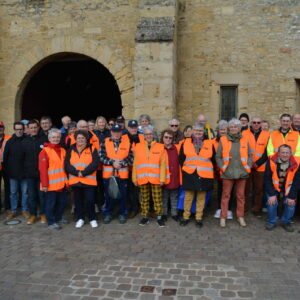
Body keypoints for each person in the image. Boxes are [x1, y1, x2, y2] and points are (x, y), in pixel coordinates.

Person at [216, 118, 252, 228]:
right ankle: (223, 216)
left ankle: (240, 216)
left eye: (235, 127)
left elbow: (250, 155)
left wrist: (248, 167)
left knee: (240, 196)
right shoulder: (223, 139)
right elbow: (218, 156)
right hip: (228, 172)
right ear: (228, 129)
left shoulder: (245, 140)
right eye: (231, 127)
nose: (233, 129)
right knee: (225, 195)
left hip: (241, 172)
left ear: (239, 128)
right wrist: (222, 167)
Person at [132, 126, 169, 227]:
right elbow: (135, 164)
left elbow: (163, 164)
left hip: (155, 178)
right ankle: (145, 217)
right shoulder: (138, 147)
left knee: (157, 199)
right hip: (142, 178)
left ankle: (159, 217)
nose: (148, 136)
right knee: (144, 199)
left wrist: (162, 179)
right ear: (144, 136)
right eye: (146, 134)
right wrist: (134, 178)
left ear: (153, 135)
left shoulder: (160, 146)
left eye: (150, 134)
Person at [179, 122, 214, 228]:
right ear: (192, 131)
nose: (198, 132)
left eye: (200, 130)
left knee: (201, 197)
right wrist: (186, 169)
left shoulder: (209, 143)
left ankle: (198, 218)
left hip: (204, 174)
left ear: (203, 131)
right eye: (196, 130)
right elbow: (181, 158)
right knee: (188, 197)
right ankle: (186, 217)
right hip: (190, 173)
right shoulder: (185, 143)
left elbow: (213, 159)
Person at [65, 130, 99, 228]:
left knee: (90, 200)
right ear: (75, 139)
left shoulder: (92, 148)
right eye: (79, 138)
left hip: (89, 180)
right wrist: (77, 173)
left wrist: (83, 173)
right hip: (76, 180)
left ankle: (92, 218)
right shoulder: (71, 149)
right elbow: (67, 164)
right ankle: (80, 218)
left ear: (86, 139)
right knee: (78, 201)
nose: (80, 140)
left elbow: (95, 163)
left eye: (83, 138)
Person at [100, 124, 133, 224]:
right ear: (111, 132)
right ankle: (108, 213)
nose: (116, 133)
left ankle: (122, 213)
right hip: (108, 175)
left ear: (121, 132)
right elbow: (101, 157)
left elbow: (131, 158)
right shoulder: (104, 142)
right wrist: (112, 163)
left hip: (122, 175)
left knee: (123, 195)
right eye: (114, 131)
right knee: (109, 195)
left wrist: (121, 163)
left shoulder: (127, 143)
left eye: (118, 131)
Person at [264, 144, 300, 232]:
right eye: (283, 152)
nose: (285, 155)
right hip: (274, 188)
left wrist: (292, 197)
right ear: (278, 153)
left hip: (288, 189)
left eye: (287, 153)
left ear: (291, 153)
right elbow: (267, 179)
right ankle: (271, 222)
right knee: (271, 202)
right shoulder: (271, 161)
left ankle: (286, 222)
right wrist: (272, 195)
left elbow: (297, 181)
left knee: (291, 204)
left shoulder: (297, 162)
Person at [39, 129, 68, 229]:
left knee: (62, 202)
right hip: (50, 184)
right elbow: (42, 170)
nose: (56, 139)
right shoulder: (45, 152)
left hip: (62, 183)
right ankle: (51, 222)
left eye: (58, 137)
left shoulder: (63, 150)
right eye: (53, 137)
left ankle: (58, 218)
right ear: (49, 138)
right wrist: (45, 185)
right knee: (50, 204)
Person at [242, 117, 270, 216]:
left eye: (258, 122)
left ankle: (256, 208)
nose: (256, 124)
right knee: (246, 189)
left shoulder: (267, 134)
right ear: (250, 123)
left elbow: (268, 151)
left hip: (260, 167)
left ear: (261, 124)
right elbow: (242, 149)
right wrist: (250, 163)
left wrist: (257, 163)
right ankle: (244, 208)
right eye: (254, 122)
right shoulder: (244, 133)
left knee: (258, 189)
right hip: (247, 166)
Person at [22, 120, 47, 225]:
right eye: (31, 128)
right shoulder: (24, 141)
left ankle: (43, 214)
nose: (33, 129)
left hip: (41, 174)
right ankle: (33, 215)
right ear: (28, 129)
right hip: (30, 174)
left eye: (35, 127)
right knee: (32, 196)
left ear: (38, 128)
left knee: (42, 196)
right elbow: (21, 158)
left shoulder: (44, 139)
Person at [3, 122, 28, 219]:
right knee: (13, 193)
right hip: (13, 174)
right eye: (17, 129)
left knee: (25, 193)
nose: (19, 131)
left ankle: (25, 210)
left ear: (23, 129)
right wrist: (7, 171)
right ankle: (13, 211)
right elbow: (5, 158)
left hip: (24, 173)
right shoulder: (9, 142)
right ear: (14, 130)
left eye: (21, 129)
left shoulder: (27, 140)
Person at [212, 120, 233, 219]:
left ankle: (228, 209)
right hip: (217, 170)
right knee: (220, 190)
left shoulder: (231, 141)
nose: (223, 131)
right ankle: (220, 208)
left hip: (228, 170)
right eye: (221, 129)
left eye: (224, 129)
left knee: (229, 191)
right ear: (218, 130)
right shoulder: (213, 141)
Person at [125, 120, 144, 218]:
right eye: (131, 127)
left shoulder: (142, 137)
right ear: (128, 128)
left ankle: (144, 207)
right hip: (129, 168)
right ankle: (134, 208)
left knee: (142, 189)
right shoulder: (123, 137)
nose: (133, 129)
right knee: (131, 190)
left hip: (141, 168)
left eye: (135, 127)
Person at [161, 129, 180, 222]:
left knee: (174, 197)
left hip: (174, 177)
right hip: (163, 178)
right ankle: (164, 213)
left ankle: (174, 213)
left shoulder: (177, 148)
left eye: (170, 137)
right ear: (162, 138)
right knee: (164, 198)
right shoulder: (159, 148)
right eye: (166, 137)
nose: (168, 139)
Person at [0, 121, 11, 214]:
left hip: (6, 167)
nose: (0, 129)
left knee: (8, 188)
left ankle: (7, 207)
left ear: (4, 128)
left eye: (1, 127)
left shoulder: (9, 138)